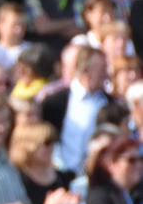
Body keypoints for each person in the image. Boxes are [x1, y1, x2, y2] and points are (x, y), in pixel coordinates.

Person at [39, 45, 110, 174]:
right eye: (102, 70)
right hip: (62, 176)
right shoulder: (54, 103)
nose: (107, 75)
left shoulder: (112, 104)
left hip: (98, 177)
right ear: (85, 71)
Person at [9, 119, 76, 204]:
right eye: (46, 143)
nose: (51, 148)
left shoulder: (62, 178)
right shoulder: (16, 179)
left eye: (53, 142)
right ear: (28, 146)